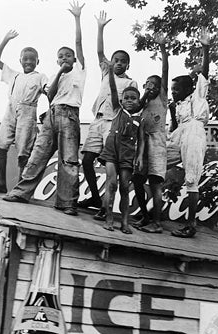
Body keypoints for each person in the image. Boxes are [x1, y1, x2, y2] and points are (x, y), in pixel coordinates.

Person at [3, 1, 86, 216]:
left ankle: (67, 202)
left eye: (67, 55)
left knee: (68, 159)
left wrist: (76, 18)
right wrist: (59, 71)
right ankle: (21, 192)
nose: (64, 58)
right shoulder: (54, 75)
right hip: (52, 115)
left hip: (69, 115)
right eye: (60, 56)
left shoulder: (79, 70)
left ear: (75, 59)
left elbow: (78, 42)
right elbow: (50, 94)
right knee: (37, 155)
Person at [78, 10, 137, 220]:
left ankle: (107, 205)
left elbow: (130, 106)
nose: (119, 63)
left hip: (114, 124)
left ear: (128, 65)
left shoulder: (130, 83)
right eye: (116, 60)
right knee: (87, 161)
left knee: (110, 165)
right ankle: (95, 197)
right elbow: (99, 51)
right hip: (98, 120)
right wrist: (100, 28)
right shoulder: (106, 72)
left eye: (123, 61)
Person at [0, 30, 47, 193]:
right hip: (10, 109)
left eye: (32, 59)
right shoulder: (13, 75)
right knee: (0, 146)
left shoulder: (40, 76)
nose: (28, 62)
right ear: (20, 60)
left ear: (37, 61)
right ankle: (1, 183)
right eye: (25, 59)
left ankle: (19, 187)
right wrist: (5, 39)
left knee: (23, 150)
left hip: (28, 111)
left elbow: (49, 91)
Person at [168, 27, 210, 238]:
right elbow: (174, 130)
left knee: (192, 178)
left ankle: (190, 225)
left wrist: (205, 48)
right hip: (180, 134)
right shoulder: (177, 106)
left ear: (187, 89)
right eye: (172, 89)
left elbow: (205, 72)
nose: (173, 92)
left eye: (176, 89)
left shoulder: (197, 97)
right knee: (155, 160)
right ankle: (152, 213)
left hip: (194, 132)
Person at [98, 60, 145, 234]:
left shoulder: (140, 120)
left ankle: (124, 222)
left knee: (125, 187)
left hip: (127, 155)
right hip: (111, 151)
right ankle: (109, 218)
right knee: (111, 184)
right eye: (127, 98)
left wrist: (139, 157)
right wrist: (110, 71)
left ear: (139, 101)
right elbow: (111, 88)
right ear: (122, 100)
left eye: (134, 99)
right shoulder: (118, 110)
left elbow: (141, 141)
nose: (130, 101)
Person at [132, 33, 169, 233]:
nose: (150, 86)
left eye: (154, 84)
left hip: (157, 144)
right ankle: (146, 217)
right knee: (137, 180)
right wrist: (144, 93)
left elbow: (164, 70)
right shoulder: (143, 105)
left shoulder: (162, 99)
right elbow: (135, 107)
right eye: (147, 83)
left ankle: (156, 223)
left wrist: (162, 49)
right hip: (143, 144)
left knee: (155, 183)